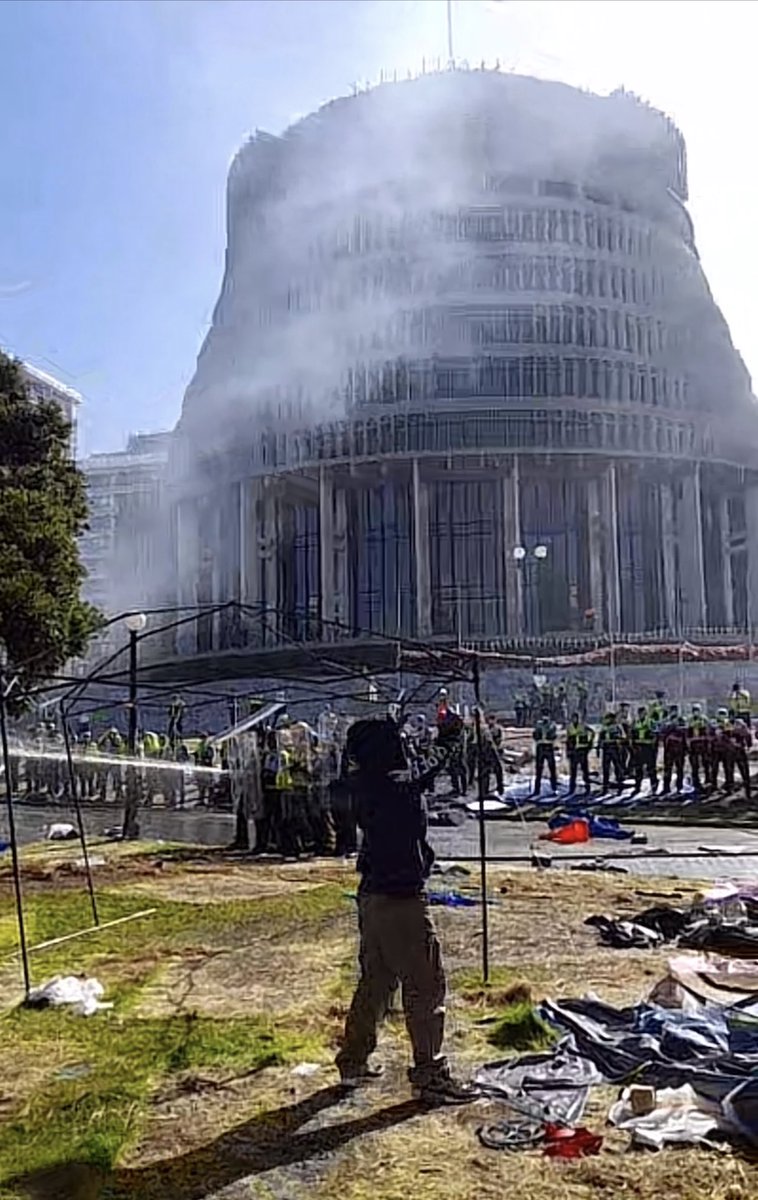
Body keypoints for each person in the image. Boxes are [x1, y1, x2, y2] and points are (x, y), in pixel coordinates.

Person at [334, 718, 474, 1104]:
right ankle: (430, 1074)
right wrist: (450, 738)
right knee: (425, 983)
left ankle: (353, 1061)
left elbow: (415, 771)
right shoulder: (395, 786)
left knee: (377, 981)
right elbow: (425, 768)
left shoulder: (362, 783)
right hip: (401, 898)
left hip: (372, 896)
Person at [630, 706, 658, 795]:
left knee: (651, 768)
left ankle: (654, 786)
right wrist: (633, 746)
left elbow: (655, 734)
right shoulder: (636, 723)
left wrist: (653, 746)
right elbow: (632, 734)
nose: (641, 715)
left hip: (648, 748)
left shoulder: (650, 722)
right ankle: (637, 787)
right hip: (639, 748)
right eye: (640, 713)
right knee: (638, 769)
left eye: (643, 713)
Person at [565, 711, 594, 795]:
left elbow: (592, 732)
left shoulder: (583, 726)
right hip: (573, 752)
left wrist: (590, 744)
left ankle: (587, 787)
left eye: (576, 718)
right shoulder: (569, 727)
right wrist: (568, 752)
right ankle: (572, 789)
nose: (574, 719)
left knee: (585, 770)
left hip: (582, 751)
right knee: (573, 771)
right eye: (573, 718)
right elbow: (568, 740)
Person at [661, 706, 687, 796]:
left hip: (680, 749)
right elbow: (662, 733)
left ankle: (679, 787)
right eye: (672, 711)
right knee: (667, 769)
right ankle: (666, 787)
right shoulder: (666, 721)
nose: (674, 713)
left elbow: (685, 733)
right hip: (669, 749)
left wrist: (685, 748)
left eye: (675, 711)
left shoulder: (681, 720)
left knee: (680, 769)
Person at [598, 712, 626, 796]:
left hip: (614, 748)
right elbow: (600, 738)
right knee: (605, 769)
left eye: (609, 718)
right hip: (606, 749)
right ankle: (605, 787)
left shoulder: (617, 727)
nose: (607, 720)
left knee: (617, 767)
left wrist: (618, 739)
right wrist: (598, 747)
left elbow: (623, 737)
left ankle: (620, 786)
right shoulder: (604, 727)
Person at [532, 708, 558, 796]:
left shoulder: (552, 725)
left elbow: (554, 735)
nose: (545, 717)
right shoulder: (538, 724)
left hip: (549, 747)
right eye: (544, 715)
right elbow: (535, 735)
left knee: (552, 768)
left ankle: (554, 788)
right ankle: (537, 790)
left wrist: (549, 736)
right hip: (540, 747)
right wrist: (538, 737)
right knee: (539, 769)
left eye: (547, 715)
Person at [687, 704, 711, 794]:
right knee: (694, 765)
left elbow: (707, 731)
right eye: (694, 710)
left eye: (697, 710)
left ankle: (708, 781)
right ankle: (696, 782)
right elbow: (688, 733)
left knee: (706, 763)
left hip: (703, 745)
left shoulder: (704, 719)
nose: (695, 712)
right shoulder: (690, 720)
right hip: (693, 745)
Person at [727, 719, 752, 799]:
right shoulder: (732, 731)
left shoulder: (743, 731)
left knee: (743, 771)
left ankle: (747, 790)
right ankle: (731, 788)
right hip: (734, 753)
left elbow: (748, 740)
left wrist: (747, 746)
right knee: (731, 771)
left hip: (739, 753)